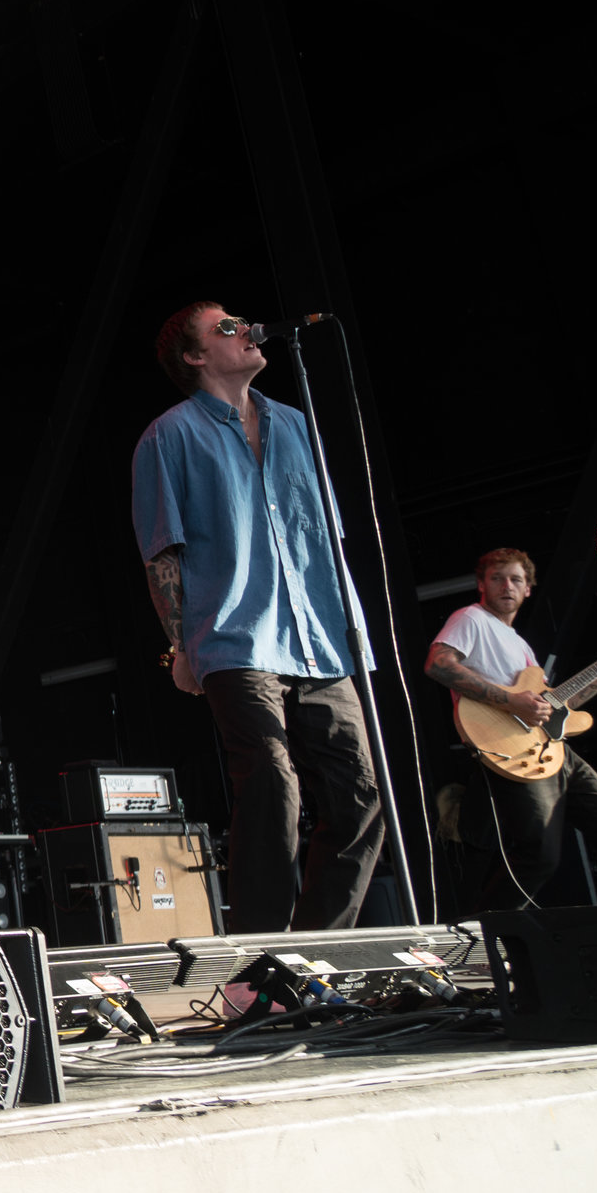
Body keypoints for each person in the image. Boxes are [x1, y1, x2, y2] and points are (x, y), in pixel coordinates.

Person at [132, 301, 385, 932]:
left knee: (359, 794)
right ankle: (261, 950)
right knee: (273, 782)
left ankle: (320, 949)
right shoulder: (168, 435)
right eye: (225, 327)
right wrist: (180, 645)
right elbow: (162, 552)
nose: (244, 329)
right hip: (234, 638)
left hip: (320, 637)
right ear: (195, 356)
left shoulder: (296, 423)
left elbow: (325, 533)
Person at [425, 547, 597, 910]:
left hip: (553, 749)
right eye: (497, 578)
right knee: (539, 856)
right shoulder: (471, 618)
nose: (506, 586)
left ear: (527, 589)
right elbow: (438, 665)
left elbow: (559, 706)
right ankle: (490, 932)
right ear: (481, 585)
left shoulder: (519, 643)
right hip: (513, 747)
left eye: (515, 580)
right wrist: (512, 702)